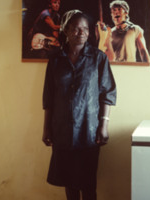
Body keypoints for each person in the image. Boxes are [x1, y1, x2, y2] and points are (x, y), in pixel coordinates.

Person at [42, 9, 117, 200]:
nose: (81, 32)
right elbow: (48, 97)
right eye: (76, 29)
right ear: (66, 30)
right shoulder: (55, 60)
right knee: (69, 183)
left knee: (88, 184)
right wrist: (46, 128)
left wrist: (104, 125)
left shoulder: (98, 59)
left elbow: (107, 93)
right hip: (62, 130)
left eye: (85, 29)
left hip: (89, 131)